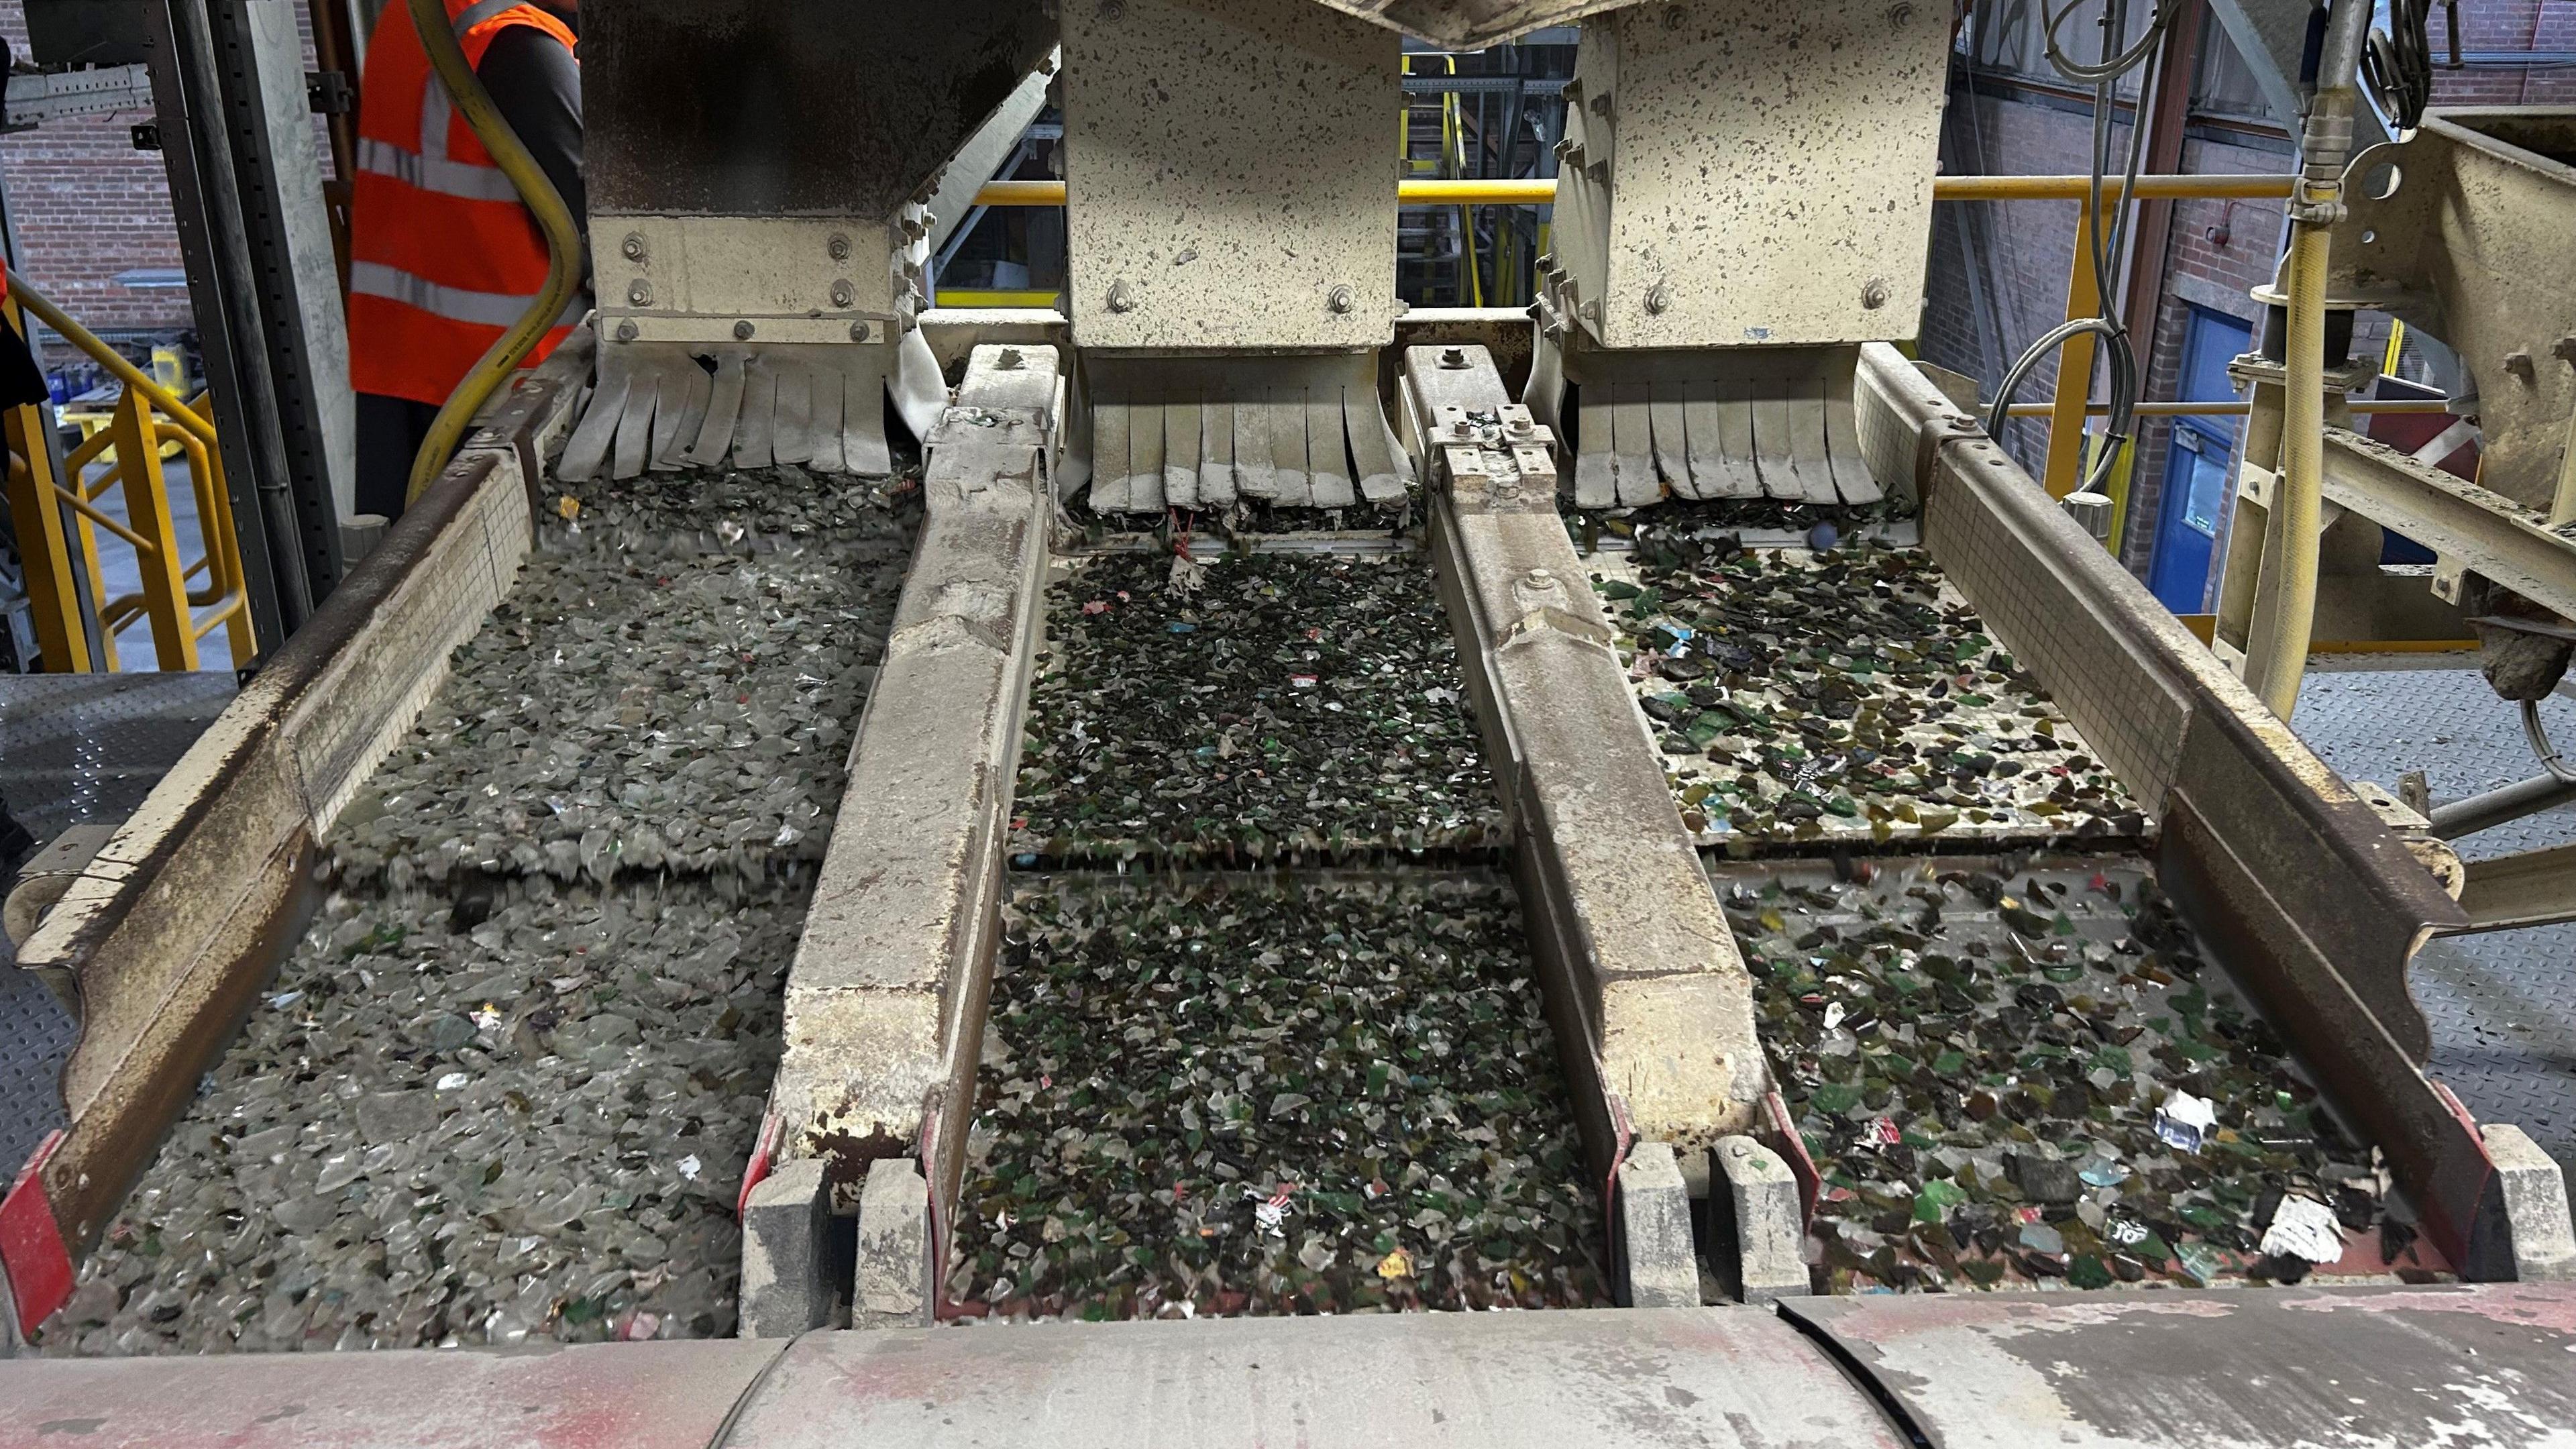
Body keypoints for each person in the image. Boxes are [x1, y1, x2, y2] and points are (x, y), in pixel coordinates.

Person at [348, 0, 588, 519]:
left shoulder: (413, 19)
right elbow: (613, 247)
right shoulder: (512, 43)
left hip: (414, 378)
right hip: (509, 390)